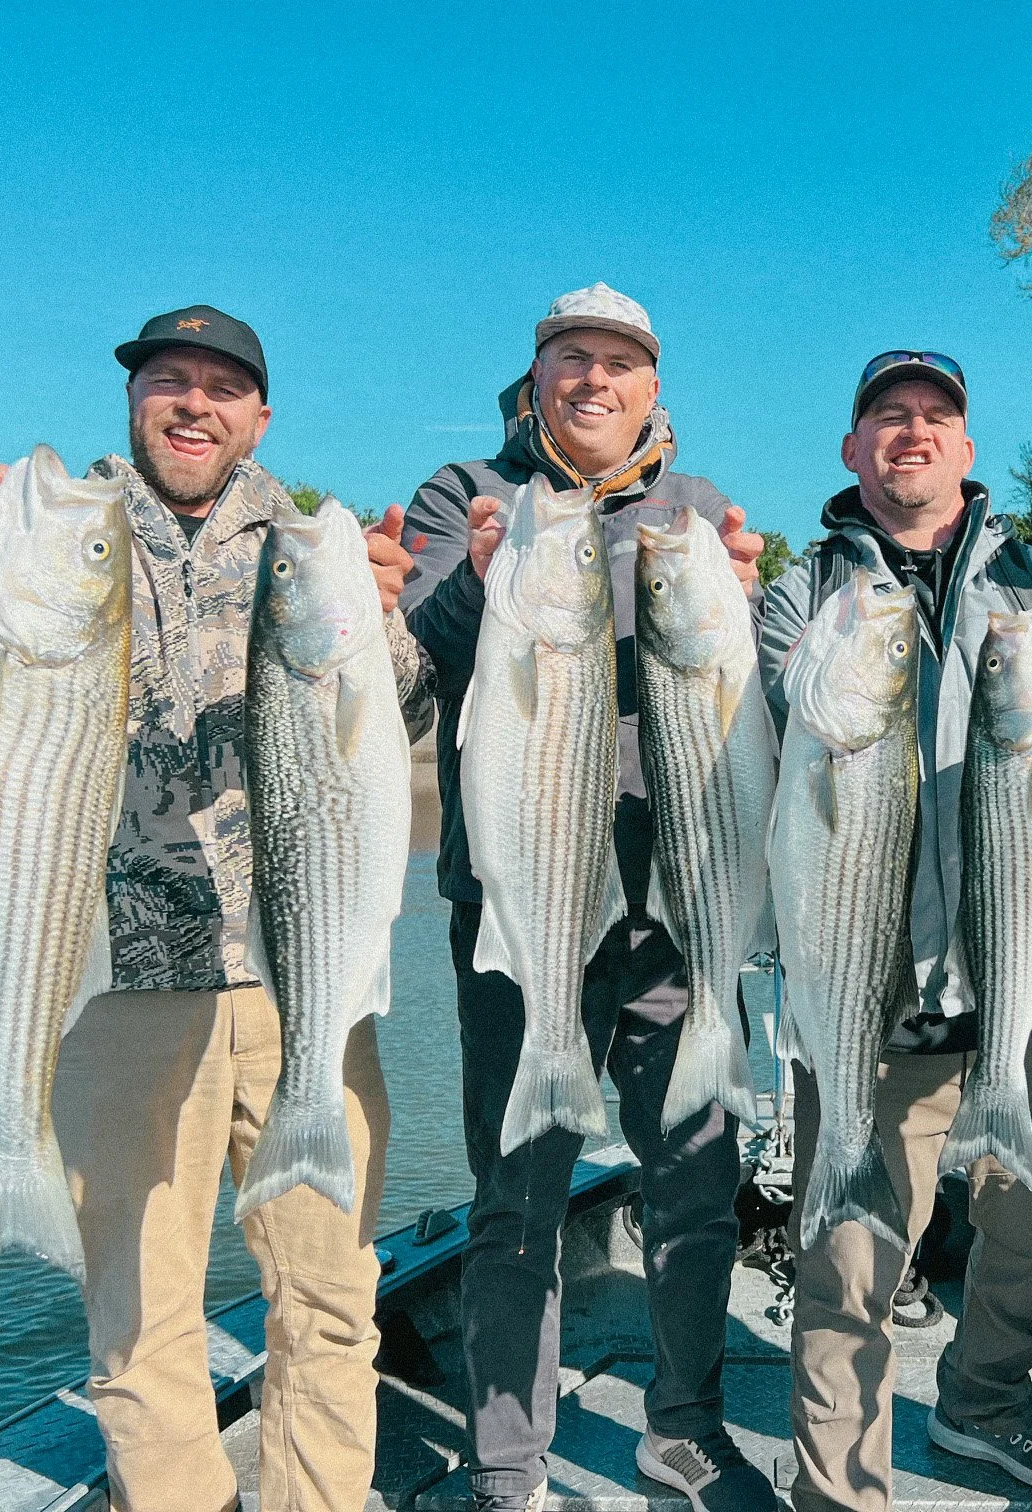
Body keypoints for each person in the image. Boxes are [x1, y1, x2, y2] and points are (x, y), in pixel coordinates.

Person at [0, 304, 434, 1512]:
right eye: (168, 380)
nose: (193, 403)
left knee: (332, 1299)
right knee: (141, 1316)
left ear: (259, 415)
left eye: (221, 387)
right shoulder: (58, 527)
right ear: (132, 398)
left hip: (297, 969)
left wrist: (389, 624)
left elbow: (403, 727)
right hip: (109, 982)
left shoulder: (304, 538)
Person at [398, 283, 776, 1512]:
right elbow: (424, 649)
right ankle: (508, 1460)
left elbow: (753, 698)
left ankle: (684, 1426)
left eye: (621, 361)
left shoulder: (700, 510)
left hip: (677, 910)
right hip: (520, 912)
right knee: (516, 1199)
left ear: (654, 386)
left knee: (696, 1180)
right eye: (573, 356)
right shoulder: (468, 494)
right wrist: (480, 582)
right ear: (539, 372)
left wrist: (754, 612)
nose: (595, 379)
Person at [755, 351, 1032, 1512]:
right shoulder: (799, 591)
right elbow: (778, 731)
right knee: (849, 1254)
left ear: (969, 450)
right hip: (863, 981)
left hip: (1021, 978)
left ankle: (983, 1409)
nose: (913, 432)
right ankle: (837, 1485)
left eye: (936, 417)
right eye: (888, 417)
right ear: (853, 450)